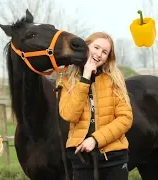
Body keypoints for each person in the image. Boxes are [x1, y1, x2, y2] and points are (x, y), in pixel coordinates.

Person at [58, 32, 133, 180]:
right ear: (86, 47)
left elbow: (125, 118)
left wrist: (95, 139)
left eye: (105, 52)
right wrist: (85, 78)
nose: (99, 54)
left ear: (107, 59)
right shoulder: (66, 80)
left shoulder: (114, 80)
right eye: (96, 47)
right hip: (81, 158)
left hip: (113, 158)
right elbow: (69, 115)